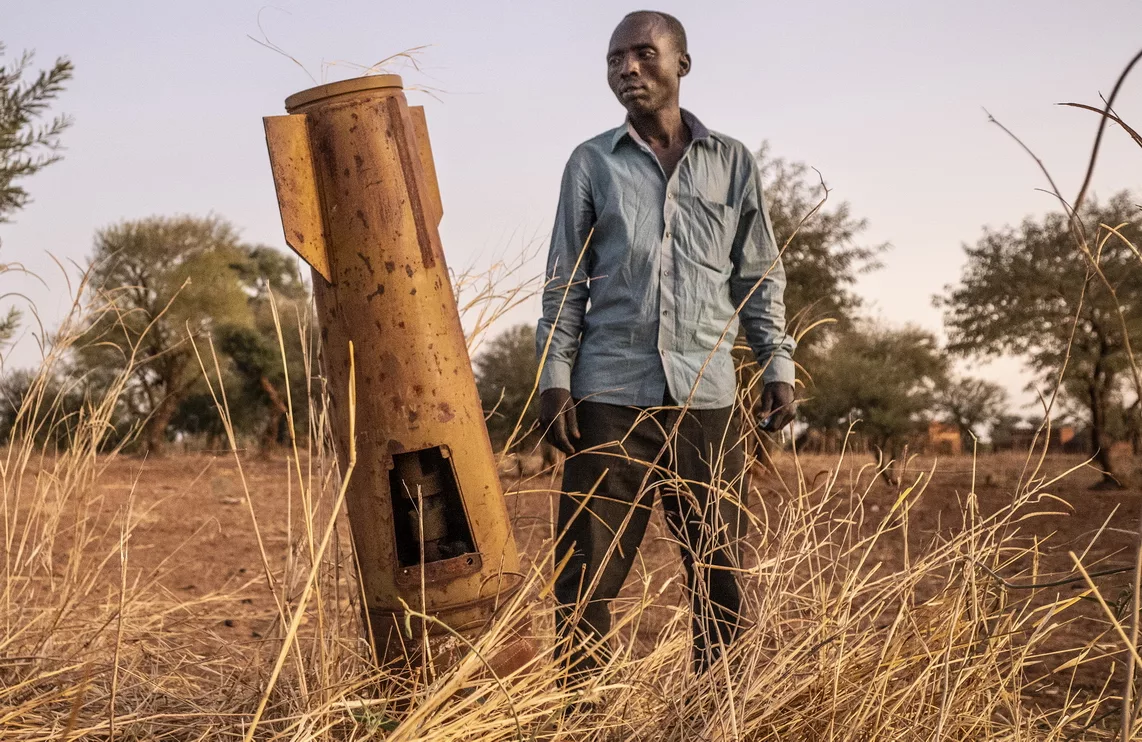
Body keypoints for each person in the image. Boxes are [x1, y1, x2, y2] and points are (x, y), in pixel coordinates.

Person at [535, 10, 797, 681]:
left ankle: (716, 710)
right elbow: (565, 280)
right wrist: (554, 378)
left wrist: (777, 363)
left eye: (644, 54)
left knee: (720, 573)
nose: (627, 68)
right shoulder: (591, 163)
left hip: (707, 399)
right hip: (608, 398)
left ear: (682, 63)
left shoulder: (732, 162)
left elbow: (758, 273)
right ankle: (580, 713)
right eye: (614, 58)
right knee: (585, 577)